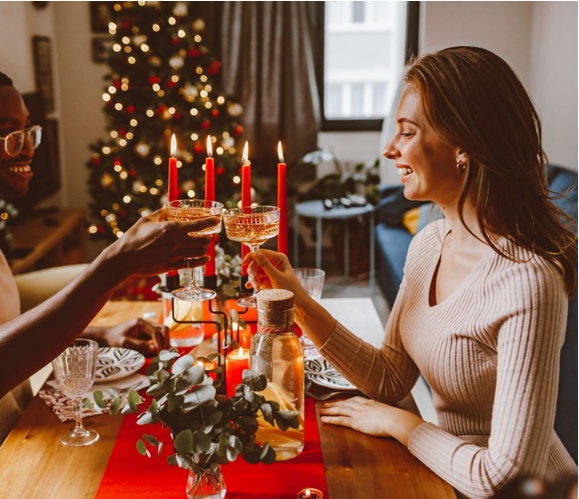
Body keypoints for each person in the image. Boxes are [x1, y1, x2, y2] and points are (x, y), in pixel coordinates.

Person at [0, 60, 219, 498]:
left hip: (13, 442)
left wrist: (102, 333)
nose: (28, 148)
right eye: (7, 134)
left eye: (28, 132)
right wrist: (114, 263)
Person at [245, 46, 577, 498]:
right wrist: (297, 300)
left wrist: (403, 425)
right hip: (448, 477)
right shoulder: (430, 243)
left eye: (407, 132)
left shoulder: (528, 282)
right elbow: (390, 377)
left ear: (466, 146)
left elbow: (504, 477)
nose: (389, 149)